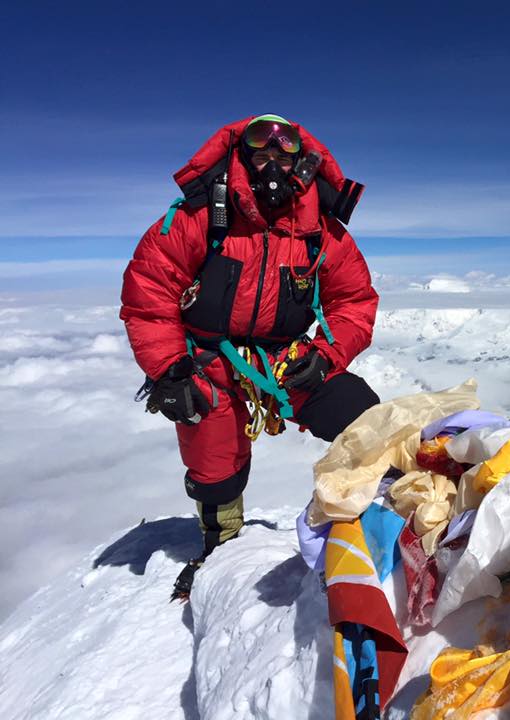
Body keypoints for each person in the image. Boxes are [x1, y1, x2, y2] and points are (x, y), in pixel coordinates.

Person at [120, 115, 380, 599]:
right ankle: (220, 545)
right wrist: (169, 369)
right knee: (211, 448)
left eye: (286, 150)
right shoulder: (202, 216)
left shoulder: (320, 231)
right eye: (260, 149)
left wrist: (326, 355)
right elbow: (150, 292)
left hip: (288, 356)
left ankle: (377, 518)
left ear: (304, 161)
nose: (273, 161)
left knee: (363, 417)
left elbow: (354, 302)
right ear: (240, 156)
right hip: (208, 358)